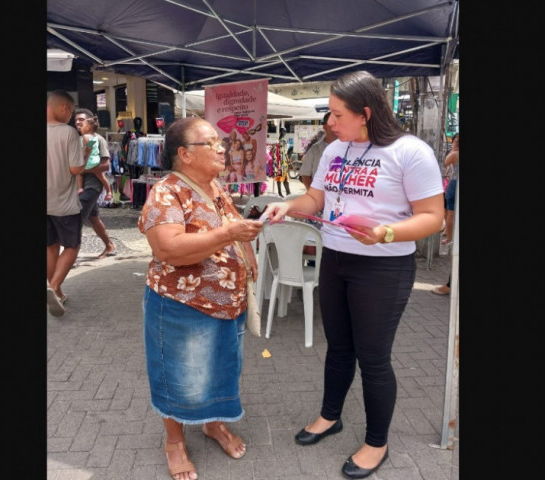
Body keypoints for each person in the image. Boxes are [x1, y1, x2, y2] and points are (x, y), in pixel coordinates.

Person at [260, 70, 444, 479]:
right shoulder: (335, 149)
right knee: (339, 347)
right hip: (336, 258)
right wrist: (288, 205)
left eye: (335, 113)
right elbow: (316, 197)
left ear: (364, 113)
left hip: (384, 265)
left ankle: (377, 441)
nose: (329, 122)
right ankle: (330, 416)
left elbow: (432, 217)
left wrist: (386, 232)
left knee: (373, 358)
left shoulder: (409, 152)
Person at [137, 117, 264, 480]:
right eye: (211, 143)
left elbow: (231, 226)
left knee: (221, 369)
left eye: (219, 141)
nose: (222, 148)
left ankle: (212, 424)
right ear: (185, 154)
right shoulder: (167, 191)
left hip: (226, 305)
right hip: (182, 306)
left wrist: (245, 250)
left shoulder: (213, 185)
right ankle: (174, 442)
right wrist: (229, 234)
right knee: (176, 375)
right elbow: (169, 249)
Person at [46, 90, 87, 316]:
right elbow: (74, 169)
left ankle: (57, 292)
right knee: (71, 246)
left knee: (50, 246)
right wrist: (85, 156)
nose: (71, 116)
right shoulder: (68, 132)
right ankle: (52, 287)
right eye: (71, 111)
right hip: (64, 203)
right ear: (63, 108)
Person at [74, 108, 117, 259]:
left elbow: (106, 165)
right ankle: (109, 246)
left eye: (82, 119)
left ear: (90, 121)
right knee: (93, 218)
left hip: (93, 185)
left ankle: (70, 256)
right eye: (76, 120)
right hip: (80, 185)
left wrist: (84, 170)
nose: (78, 122)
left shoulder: (98, 139)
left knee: (75, 219)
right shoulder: (79, 140)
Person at [77, 114, 113, 202]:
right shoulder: (93, 138)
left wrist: (83, 163)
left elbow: (87, 150)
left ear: (88, 127)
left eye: (82, 124)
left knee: (80, 173)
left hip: (91, 181)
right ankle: (109, 192)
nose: (79, 124)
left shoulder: (87, 137)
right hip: (93, 162)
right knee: (102, 177)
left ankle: (80, 188)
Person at [299, 111, 338, 189]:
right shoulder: (315, 149)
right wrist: (314, 195)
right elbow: (305, 175)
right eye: (332, 123)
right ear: (324, 126)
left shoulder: (349, 147)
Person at [441, 132, 459, 246]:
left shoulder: (455, 154)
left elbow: (445, 163)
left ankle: (449, 238)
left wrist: (454, 149)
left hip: (454, 182)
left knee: (450, 212)